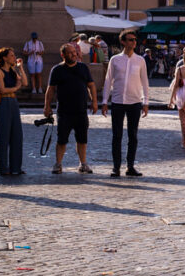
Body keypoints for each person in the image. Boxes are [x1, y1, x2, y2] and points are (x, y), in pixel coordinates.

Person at [101, 30, 150, 177]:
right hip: (117, 101)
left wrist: (145, 102)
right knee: (117, 136)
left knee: (132, 135)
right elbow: (108, 80)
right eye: (130, 40)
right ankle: (116, 167)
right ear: (123, 42)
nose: (133, 42)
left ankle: (130, 166)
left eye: (135, 40)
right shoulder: (115, 60)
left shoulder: (140, 60)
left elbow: (145, 82)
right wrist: (104, 101)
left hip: (134, 102)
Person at [45, 43, 97, 174]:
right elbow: (50, 89)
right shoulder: (57, 70)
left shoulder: (83, 68)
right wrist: (47, 106)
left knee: (82, 139)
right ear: (63, 55)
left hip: (81, 110)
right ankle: (58, 164)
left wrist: (95, 101)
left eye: (75, 52)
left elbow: (91, 85)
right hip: (64, 111)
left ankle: (83, 163)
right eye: (70, 52)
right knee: (62, 139)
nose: (74, 54)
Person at [0, 47, 28, 176]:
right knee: (3, 137)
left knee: (17, 136)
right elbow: (2, 90)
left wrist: (20, 68)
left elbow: (25, 82)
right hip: (3, 103)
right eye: (11, 56)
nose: (14, 57)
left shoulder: (13, 71)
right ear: (4, 58)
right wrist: (15, 88)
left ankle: (16, 167)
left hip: (13, 103)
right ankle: (4, 168)